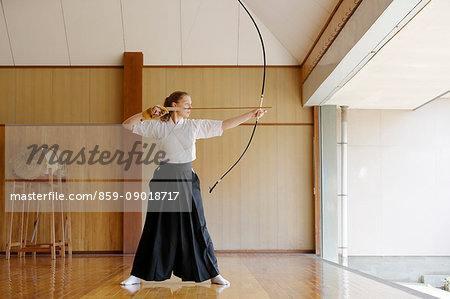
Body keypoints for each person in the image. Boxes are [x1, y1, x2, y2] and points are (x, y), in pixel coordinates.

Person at [120, 91, 267, 286]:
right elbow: (127, 125)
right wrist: (148, 113)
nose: (190, 107)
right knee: (155, 226)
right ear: (173, 105)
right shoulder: (158, 126)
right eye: (186, 103)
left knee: (197, 225)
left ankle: (213, 273)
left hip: (187, 179)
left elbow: (223, 125)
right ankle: (137, 274)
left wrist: (250, 114)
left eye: (191, 103)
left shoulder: (194, 126)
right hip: (164, 178)